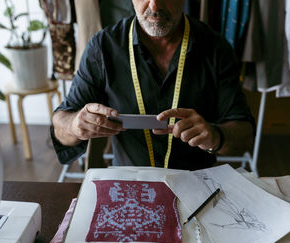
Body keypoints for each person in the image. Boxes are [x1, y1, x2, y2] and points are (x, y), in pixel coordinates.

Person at [51, 0, 255, 170]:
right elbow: (60, 124)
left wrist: (215, 136)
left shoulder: (216, 48)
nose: (155, 6)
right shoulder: (103, 47)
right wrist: (75, 125)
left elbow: (244, 134)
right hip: (130, 187)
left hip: (197, 186)